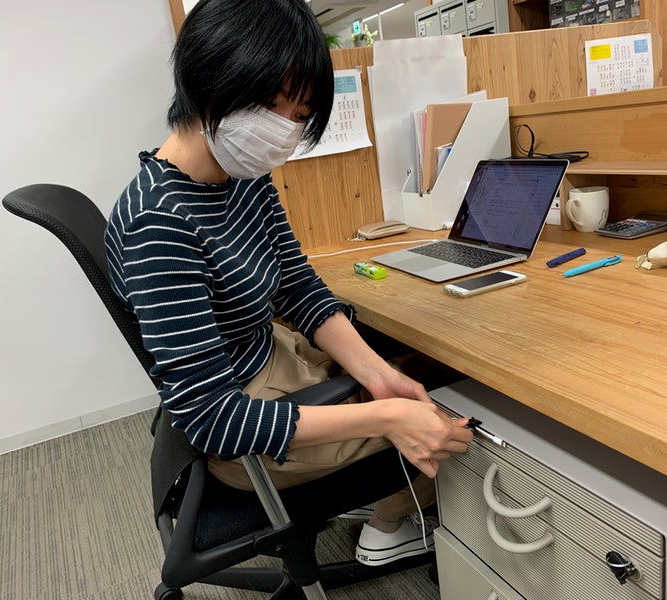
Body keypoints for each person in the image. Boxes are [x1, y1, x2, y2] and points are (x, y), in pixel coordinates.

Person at [104, 0, 473, 566]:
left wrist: (377, 376)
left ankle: (383, 483)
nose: (285, 131)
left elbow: (296, 285)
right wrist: (387, 415)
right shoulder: (159, 221)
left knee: (409, 372)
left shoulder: (239, 171)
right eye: (274, 107)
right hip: (246, 427)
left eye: (300, 116)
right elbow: (212, 419)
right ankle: (391, 522)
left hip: (275, 357)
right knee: (450, 411)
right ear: (212, 79)